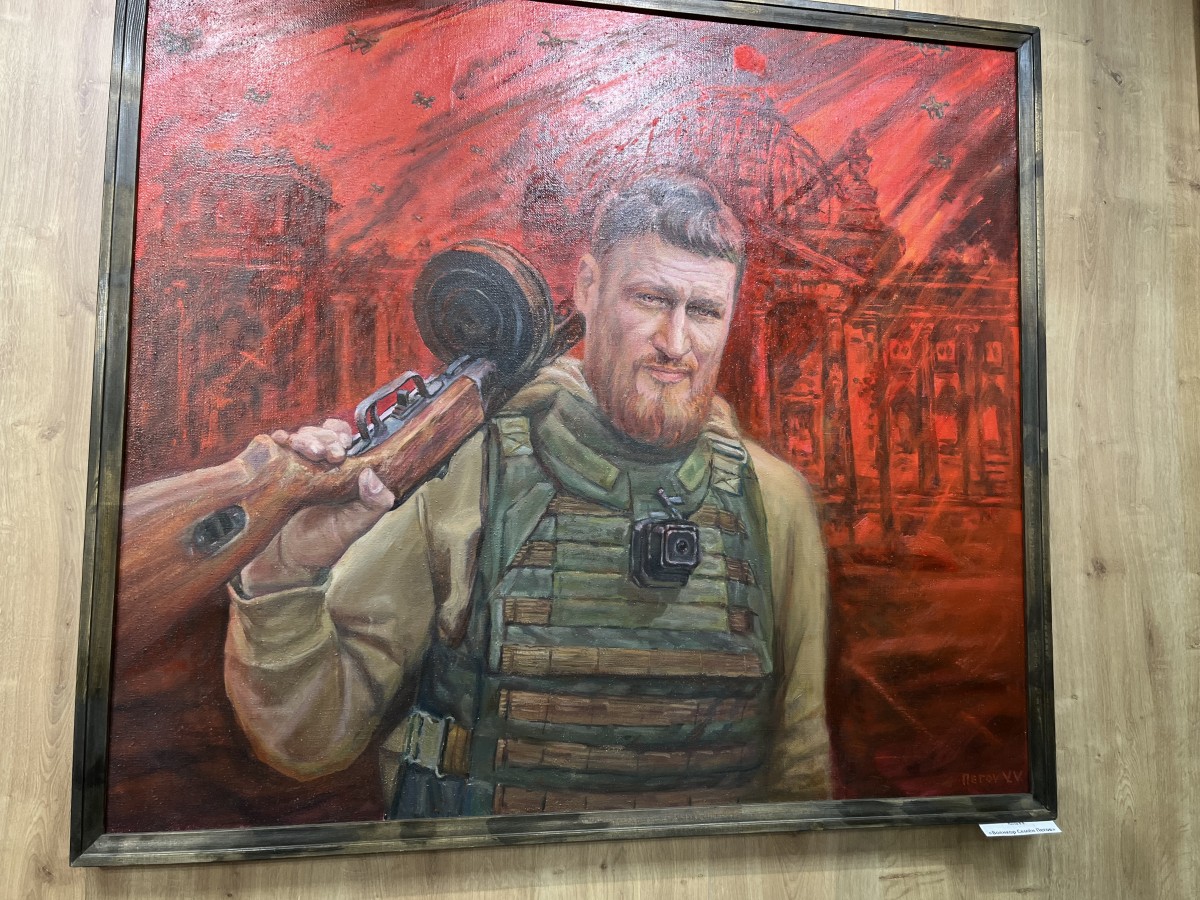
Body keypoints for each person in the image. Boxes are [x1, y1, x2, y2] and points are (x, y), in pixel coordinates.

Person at [224, 174, 832, 818]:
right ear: (589, 287)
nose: (676, 343)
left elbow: (799, 769)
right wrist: (284, 573)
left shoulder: (773, 500)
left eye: (704, 311)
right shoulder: (465, 470)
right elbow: (307, 736)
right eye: (651, 299)